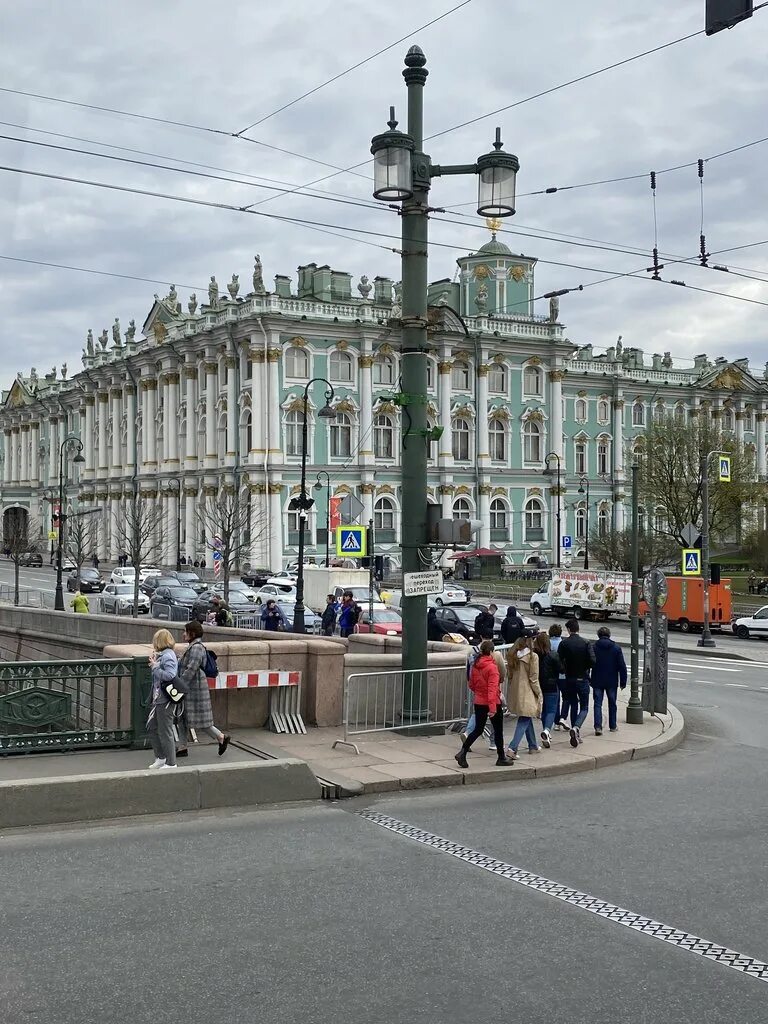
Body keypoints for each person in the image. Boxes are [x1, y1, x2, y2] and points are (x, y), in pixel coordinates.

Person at [176, 619, 230, 758]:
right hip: (191, 689)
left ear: (192, 633)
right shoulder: (194, 646)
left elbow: (191, 668)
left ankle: (221, 737)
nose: (183, 634)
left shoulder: (196, 647)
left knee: (202, 721)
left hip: (195, 690)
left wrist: (179, 684)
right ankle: (182, 747)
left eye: (186, 632)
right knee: (182, 718)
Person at [455, 639, 513, 767]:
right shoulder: (492, 668)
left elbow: (471, 683)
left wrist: (479, 693)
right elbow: (492, 690)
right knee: (498, 730)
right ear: (491, 652)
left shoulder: (476, 665)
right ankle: (501, 757)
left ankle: (463, 751)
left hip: (479, 700)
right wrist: (493, 708)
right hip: (492, 702)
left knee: (478, 729)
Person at [557, 618, 595, 748]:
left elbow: (559, 660)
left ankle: (574, 729)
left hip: (570, 678)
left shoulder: (564, 643)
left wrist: (564, 669)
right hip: (582, 677)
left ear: (568, 630)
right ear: (578, 629)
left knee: (573, 704)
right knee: (584, 707)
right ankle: (576, 727)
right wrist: (585, 667)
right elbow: (592, 660)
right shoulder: (586, 643)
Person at [147, 628, 181, 770]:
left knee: (165, 730)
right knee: (152, 727)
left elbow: (170, 675)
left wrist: (155, 667)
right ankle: (161, 757)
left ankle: (171, 762)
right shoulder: (165, 655)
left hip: (165, 699)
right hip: (158, 698)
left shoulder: (168, 656)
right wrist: (155, 664)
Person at [505, 635, 542, 758]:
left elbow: (509, 676)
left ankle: (533, 745)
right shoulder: (532, 656)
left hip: (515, 690)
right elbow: (533, 678)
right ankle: (512, 748)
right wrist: (539, 693)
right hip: (527, 691)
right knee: (525, 718)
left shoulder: (512, 656)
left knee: (527, 715)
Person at [591, 625, 627, 735]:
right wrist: (623, 682)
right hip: (611, 680)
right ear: (609, 635)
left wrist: (588, 678)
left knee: (597, 703)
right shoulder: (616, 648)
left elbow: (589, 663)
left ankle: (598, 727)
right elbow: (622, 666)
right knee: (612, 703)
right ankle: (612, 725)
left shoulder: (593, 647)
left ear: (598, 635)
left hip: (597, 679)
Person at [533, 631, 561, 748]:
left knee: (544, 710)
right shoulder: (553, 655)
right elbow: (561, 669)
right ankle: (546, 730)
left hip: (538, 684)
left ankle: (546, 733)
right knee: (551, 710)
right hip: (551, 684)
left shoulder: (534, 654)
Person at [549, 623, 565, 728]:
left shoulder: (548, 643)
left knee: (555, 699)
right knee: (565, 697)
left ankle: (556, 721)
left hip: (551, 674)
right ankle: (562, 717)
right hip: (562, 674)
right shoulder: (563, 643)